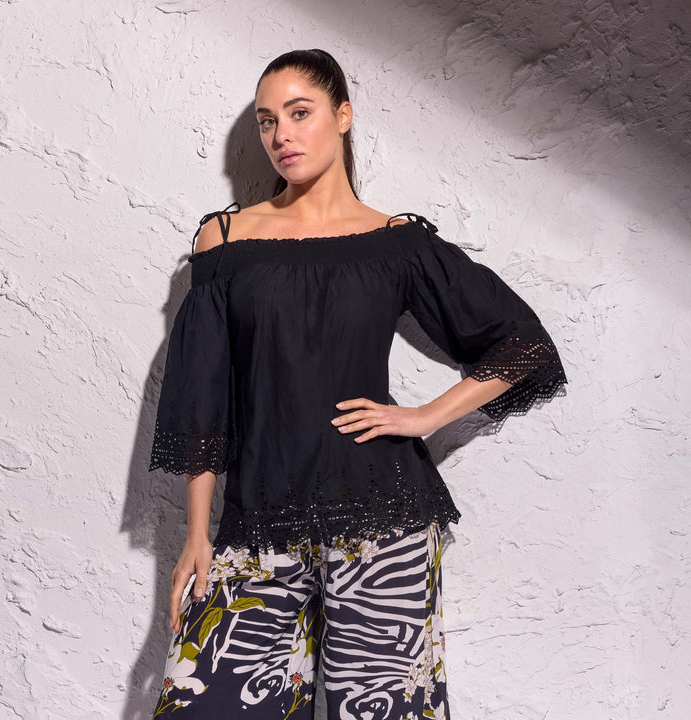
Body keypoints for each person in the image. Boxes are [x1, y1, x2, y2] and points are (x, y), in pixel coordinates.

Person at [147, 48, 567, 720]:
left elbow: (524, 344)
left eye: (300, 113)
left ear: (342, 116)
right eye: (267, 121)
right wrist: (198, 534)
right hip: (257, 520)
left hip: (384, 525)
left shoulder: (395, 243)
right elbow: (203, 397)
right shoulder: (225, 241)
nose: (281, 135)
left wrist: (425, 416)